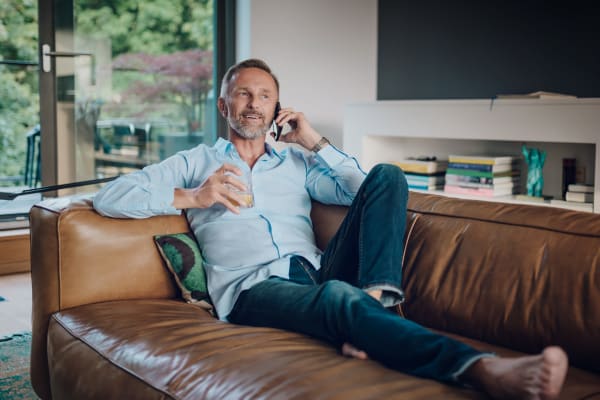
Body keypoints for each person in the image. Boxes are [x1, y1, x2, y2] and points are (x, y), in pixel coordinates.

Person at [94, 58, 568, 399]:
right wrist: (193, 197)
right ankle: (481, 369)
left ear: (278, 106)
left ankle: (377, 305)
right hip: (252, 287)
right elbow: (108, 198)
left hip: (317, 270)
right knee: (338, 298)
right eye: (243, 93)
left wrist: (312, 139)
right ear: (223, 105)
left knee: (389, 174)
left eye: (264, 95)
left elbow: (366, 191)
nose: (254, 104)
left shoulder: (298, 162)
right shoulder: (194, 163)